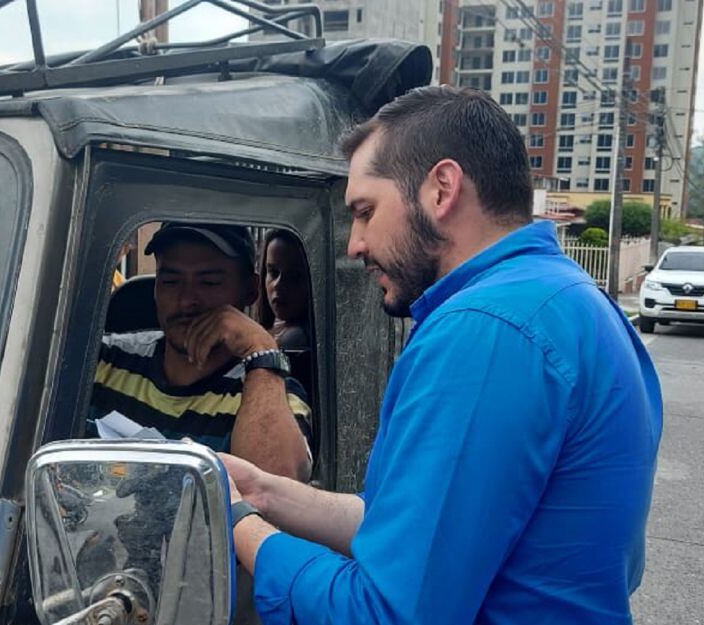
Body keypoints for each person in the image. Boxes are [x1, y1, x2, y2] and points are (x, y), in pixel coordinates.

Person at [223, 85, 662, 625]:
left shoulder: (485, 329)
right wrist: (261, 492)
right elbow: (411, 530)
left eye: (365, 211)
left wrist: (234, 517)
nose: (354, 244)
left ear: (442, 189)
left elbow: (383, 612)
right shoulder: (568, 298)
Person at [90, 222, 312, 481]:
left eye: (209, 282)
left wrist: (260, 349)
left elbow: (279, 490)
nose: (186, 301)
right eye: (171, 281)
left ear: (250, 290)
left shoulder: (271, 392)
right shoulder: (104, 361)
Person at [255, 229, 311, 350]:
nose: (278, 285)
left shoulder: (295, 338)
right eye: (273, 272)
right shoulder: (272, 330)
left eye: (295, 276)